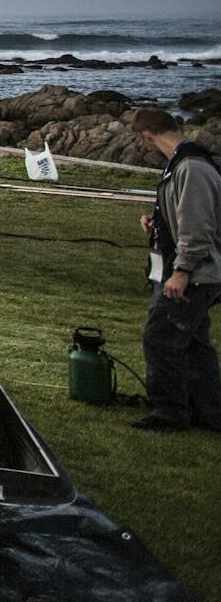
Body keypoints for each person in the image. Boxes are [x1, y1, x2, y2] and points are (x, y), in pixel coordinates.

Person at [129, 109, 221, 433]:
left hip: (195, 273)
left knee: (161, 337)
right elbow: (182, 215)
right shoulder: (180, 164)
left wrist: (181, 272)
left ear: (147, 136)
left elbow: (198, 228)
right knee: (194, 342)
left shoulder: (192, 168)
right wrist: (158, 224)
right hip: (189, 269)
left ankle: (170, 412)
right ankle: (208, 412)